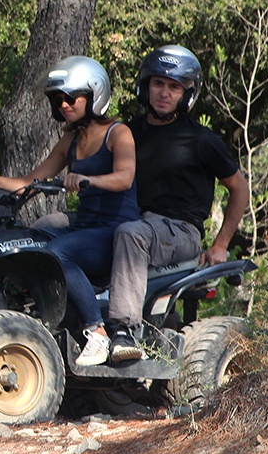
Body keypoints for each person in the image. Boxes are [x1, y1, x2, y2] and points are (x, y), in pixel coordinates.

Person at [0, 55, 138, 367]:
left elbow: (125, 177)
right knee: (27, 241)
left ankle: (97, 333)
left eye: (71, 98)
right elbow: (28, 183)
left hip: (115, 231)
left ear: (94, 94)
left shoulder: (118, 133)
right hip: (85, 228)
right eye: (58, 100)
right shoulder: (71, 140)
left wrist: (87, 179)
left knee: (57, 252)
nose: (64, 105)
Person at [107, 45, 250, 354]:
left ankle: (124, 332)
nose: (164, 93)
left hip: (179, 231)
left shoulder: (201, 139)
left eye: (174, 87)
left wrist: (221, 244)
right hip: (133, 221)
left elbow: (239, 188)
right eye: (158, 83)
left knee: (131, 234)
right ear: (145, 85)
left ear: (187, 94)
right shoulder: (127, 133)